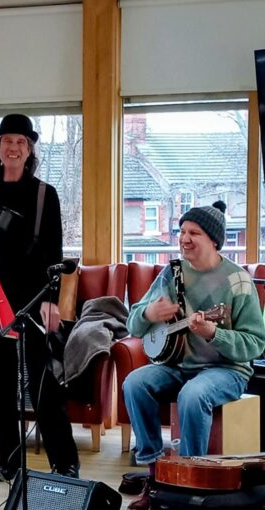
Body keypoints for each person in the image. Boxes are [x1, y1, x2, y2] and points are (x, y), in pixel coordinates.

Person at [122, 201, 265, 510]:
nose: (184, 239)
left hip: (227, 370)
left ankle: (188, 478)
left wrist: (215, 333)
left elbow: (255, 344)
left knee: (193, 394)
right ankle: (153, 475)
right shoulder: (171, 273)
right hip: (178, 365)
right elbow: (132, 322)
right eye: (182, 231)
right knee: (135, 383)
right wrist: (148, 311)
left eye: (193, 233)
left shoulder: (237, 281)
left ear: (213, 239)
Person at [0, 113, 79, 482]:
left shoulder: (46, 195)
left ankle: (64, 461)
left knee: (41, 383)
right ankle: (9, 461)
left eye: (21, 143)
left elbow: (55, 255)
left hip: (35, 299)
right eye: (7, 141)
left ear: (29, 150)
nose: (13, 148)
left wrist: (52, 302)